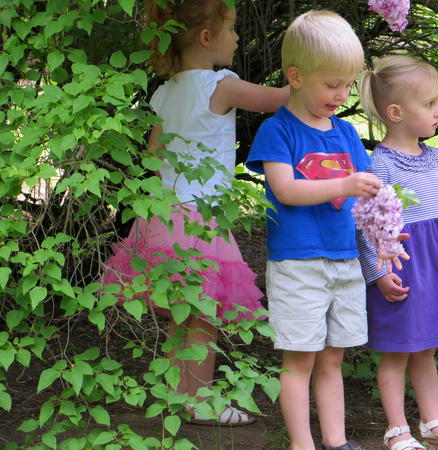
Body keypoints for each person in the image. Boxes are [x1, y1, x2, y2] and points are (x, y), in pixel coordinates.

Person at [101, 0, 289, 426]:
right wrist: (309, 75)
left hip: (162, 216)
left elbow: (152, 154)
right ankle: (201, 402)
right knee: (204, 317)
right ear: (207, 38)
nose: (238, 39)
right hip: (199, 219)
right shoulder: (221, 84)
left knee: (181, 316)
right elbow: (278, 100)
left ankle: (176, 396)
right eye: (232, 30)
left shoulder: (164, 92)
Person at [245, 10, 389, 450]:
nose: (341, 94)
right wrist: (343, 183)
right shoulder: (278, 130)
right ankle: (301, 444)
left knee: (333, 358)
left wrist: (386, 234)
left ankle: (336, 442)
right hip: (298, 263)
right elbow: (285, 189)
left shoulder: (345, 132)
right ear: (295, 76)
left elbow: (368, 199)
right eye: (332, 84)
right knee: (300, 360)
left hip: (344, 260)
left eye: (347, 84)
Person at [357, 54, 438, 450]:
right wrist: (376, 273)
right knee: (398, 349)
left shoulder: (436, 157)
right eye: (429, 104)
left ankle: (434, 423)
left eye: (437, 102)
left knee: (426, 347)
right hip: (404, 263)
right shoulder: (381, 164)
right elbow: (366, 222)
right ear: (395, 112)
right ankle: (398, 429)